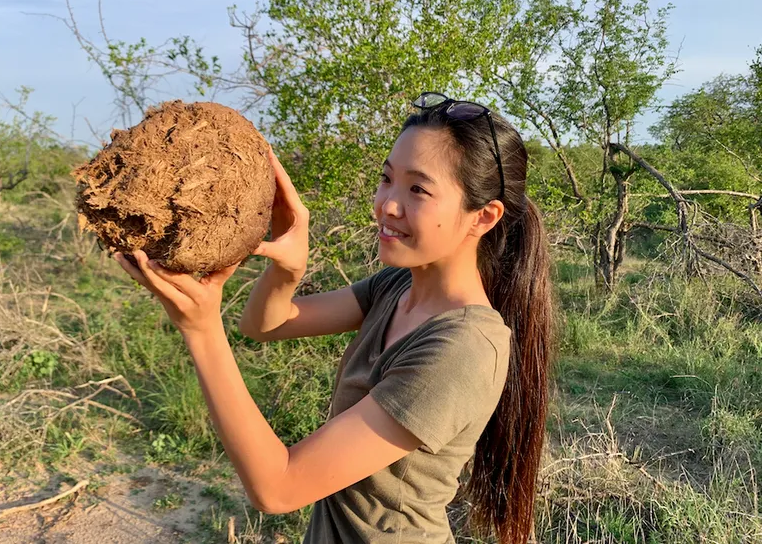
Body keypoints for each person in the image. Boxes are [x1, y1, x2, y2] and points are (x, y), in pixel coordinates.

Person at [114, 91, 554, 544]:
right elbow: (264, 325)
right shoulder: (395, 287)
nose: (387, 205)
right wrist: (287, 269)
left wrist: (200, 330)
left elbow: (278, 488)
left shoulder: (463, 348)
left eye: (418, 189)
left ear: (483, 217)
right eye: (386, 179)